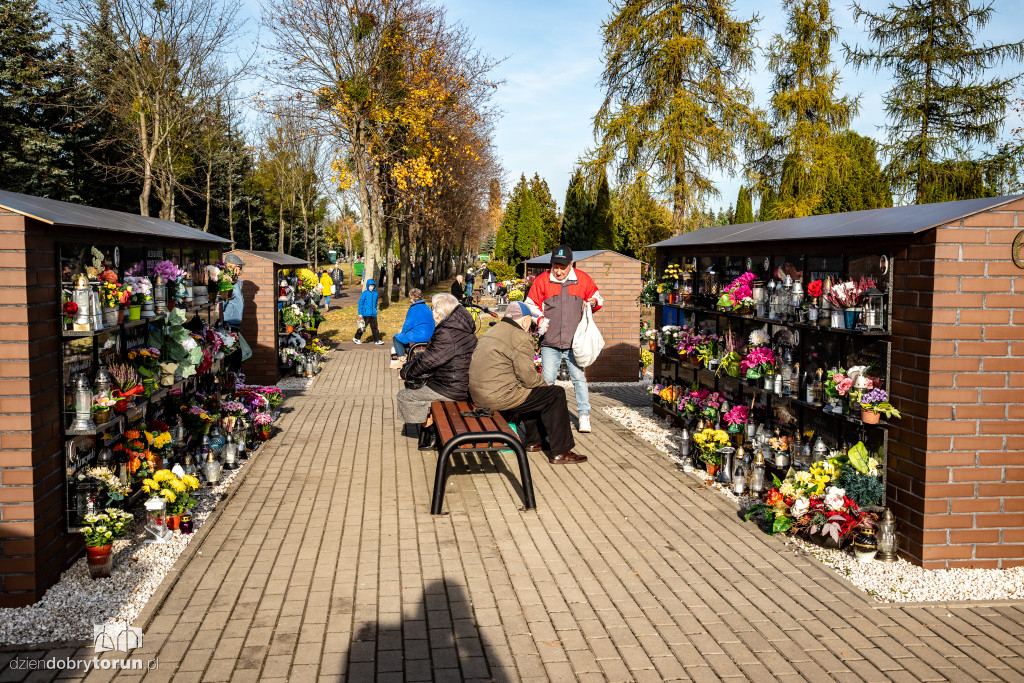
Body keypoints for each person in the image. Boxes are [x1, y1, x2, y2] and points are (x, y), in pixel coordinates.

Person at [468, 302, 586, 465]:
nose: (530, 326)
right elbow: (529, 378)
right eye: (530, 321)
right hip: (497, 397)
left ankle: (534, 442)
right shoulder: (521, 337)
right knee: (555, 394)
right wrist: (545, 384)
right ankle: (561, 451)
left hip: (478, 395)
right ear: (524, 320)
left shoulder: (493, 330)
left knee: (533, 394)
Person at [525, 245, 603, 434]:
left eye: (562, 267)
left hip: (574, 341)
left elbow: (598, 298)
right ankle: (545, 415)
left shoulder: (583, 279)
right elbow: (530, 305)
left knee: (578, 379)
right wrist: (540, 319)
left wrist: (593, 302)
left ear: (571, 264)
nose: (558, 271)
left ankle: (584, 416)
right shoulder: (543, 280)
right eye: (555, 266)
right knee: (548, 379)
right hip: (550, 341)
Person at [398, 293, 477, 448]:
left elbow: (429, 361)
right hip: (456, 380)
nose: (431, 311)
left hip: (451, 386)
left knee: (405, 396)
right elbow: (430, 356)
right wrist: (409, 368)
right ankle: (431, 430)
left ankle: (434, 433)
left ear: (438, 314)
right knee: (415, 385)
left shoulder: (447, 332)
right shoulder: (459, 326)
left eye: (433, 308)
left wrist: (405, 373)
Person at [391, 288, 435, 369]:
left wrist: (402, 333)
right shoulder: (427, 307)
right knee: (406, 339)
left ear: (412, 298)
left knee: (397, 338)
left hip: (419, 335)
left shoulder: (413, 309)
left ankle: (402, 360)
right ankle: (412, 358)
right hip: (430, 335)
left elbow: (408, 324)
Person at [353, 278, 384, 344]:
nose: (371, 288)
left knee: (375, 328)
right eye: (370, 286)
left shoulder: (375, 294)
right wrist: (360, 313)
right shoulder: (365, 293)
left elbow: (376, 303)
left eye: (372, 286)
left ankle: (377, 340)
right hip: (366, 313)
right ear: (367, 286)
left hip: (373, 314)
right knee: (362, 327)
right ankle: (356, 338)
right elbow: (360, 303)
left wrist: (375, 310)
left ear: (374, 286)